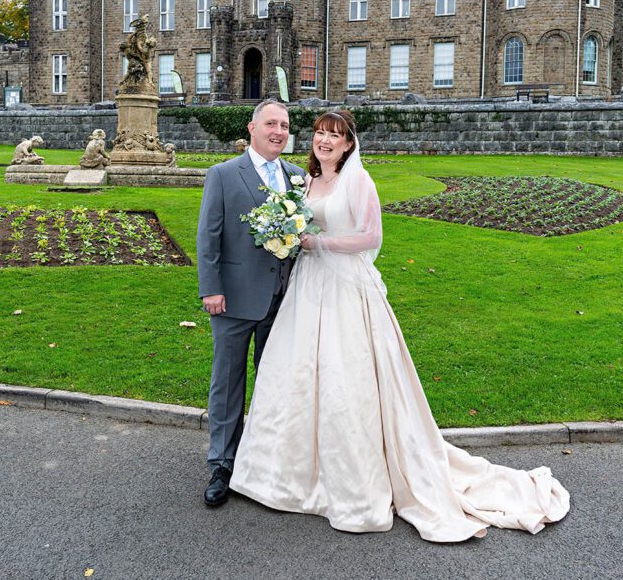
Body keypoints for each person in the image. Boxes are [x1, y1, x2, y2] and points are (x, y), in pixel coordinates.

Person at [230, 110, 570, 542]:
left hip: (346, 288)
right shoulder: (306, 182)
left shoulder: (359, 180)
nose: (324, 141)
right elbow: (299, 222)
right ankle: (283, 474)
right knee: (296, 373)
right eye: (319, 133)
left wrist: (317, 242)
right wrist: (287, 235)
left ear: (348, 144)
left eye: (334, 135)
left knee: (346, 378)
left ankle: (356, 479)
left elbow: (371, 236)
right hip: (307, 286)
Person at [196, 99, 304, 507]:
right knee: (227, 383)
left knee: (275, 383)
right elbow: (208, 237)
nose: (279, 131)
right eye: (271, 123)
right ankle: (222, 464)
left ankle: (264, 460)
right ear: (252, 128)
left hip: (284, 299)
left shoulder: (297, 176)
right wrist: (211, 289)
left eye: (285, 125)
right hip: (234, 299)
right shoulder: (223, 175)